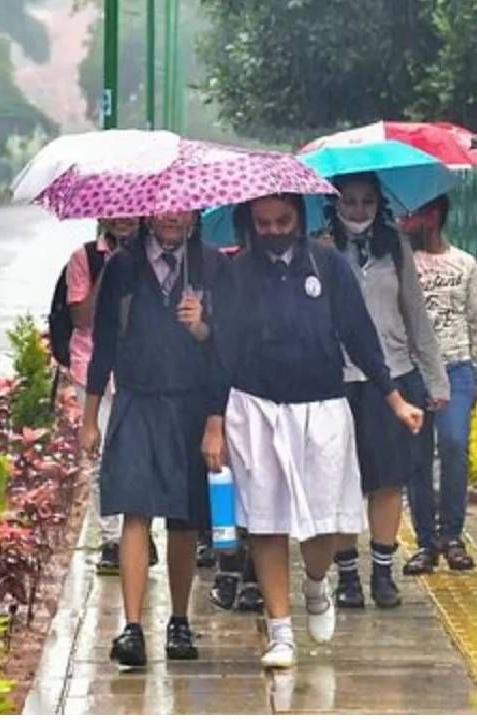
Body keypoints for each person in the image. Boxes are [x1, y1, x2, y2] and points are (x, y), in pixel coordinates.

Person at [204, 193, 424, 669]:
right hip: (255, 406)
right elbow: (221, 351)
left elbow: (360, 337)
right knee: (266, 522)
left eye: (282, 220)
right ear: (250, 223)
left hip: (322, 405)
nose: (273, 230)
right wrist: (214, 422)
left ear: (299, 219)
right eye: (263, 223)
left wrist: (395, 399)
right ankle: (281, 631)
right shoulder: (236, 273)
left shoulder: (328, 266)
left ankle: (317, 583)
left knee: (323, 522)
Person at [79, 210, 228, 667]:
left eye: (181, 210)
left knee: (184, 521)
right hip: (137, 401)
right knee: (135, 511)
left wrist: (202, 327)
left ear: (195, 214)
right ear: (148, 212)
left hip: (191, 405)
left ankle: (179, 621)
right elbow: (103, 343)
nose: (171, 218)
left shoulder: (212, 265)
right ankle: (133, 627)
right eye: (163, 209)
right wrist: (90, 419)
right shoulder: (123, 265)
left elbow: (227, 349)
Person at [318, 173, 449, 609]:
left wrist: (435, 380)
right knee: (341, 481)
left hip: (392, 376)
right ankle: (348, 575)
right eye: (350, 201)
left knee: (389, 479)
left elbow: (415, 315)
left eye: (367, 202)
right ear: (335, 203)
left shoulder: (395, 247)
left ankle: (383, 572)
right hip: (336, 379)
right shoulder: (320, 249)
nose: (358, 210)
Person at [64, 217, 159, 575]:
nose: (123, 217)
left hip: (140, 369)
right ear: (101, 216)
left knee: (140, 454)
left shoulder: (155, 256)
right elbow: (82, 317)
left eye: (131, 211)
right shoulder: (85, 258)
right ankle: (110, 539)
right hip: (92, 366)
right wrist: (111, 270)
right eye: (114, 211)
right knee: (104, 454)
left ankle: (137, 527)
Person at [402, 194, 477, 573]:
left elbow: (475, 319)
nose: (408, 221)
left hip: (457, 367)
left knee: (455, 445)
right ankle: (424, 540)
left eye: (415, 213)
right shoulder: (401, 263)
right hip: (412, 368)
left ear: (433, 216)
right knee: (416, 456)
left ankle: (452, 533)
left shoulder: (466, 263)